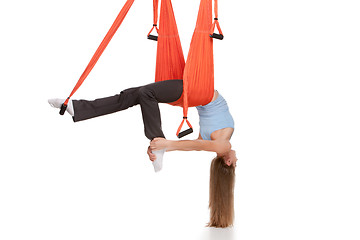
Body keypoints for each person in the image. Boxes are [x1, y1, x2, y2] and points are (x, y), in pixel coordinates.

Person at [48, 79, 237, 227]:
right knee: (140, 93)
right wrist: (165, 145)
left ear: (229, 163)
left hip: (197, 91)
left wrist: (160, 145)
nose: (237, 159)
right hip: (198, 91)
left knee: (143, 93)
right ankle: (79, 108)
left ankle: (79, 108)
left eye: (237, 163)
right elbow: (193, 145)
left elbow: (195, 146)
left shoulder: (224, 147)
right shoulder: (217, 144)